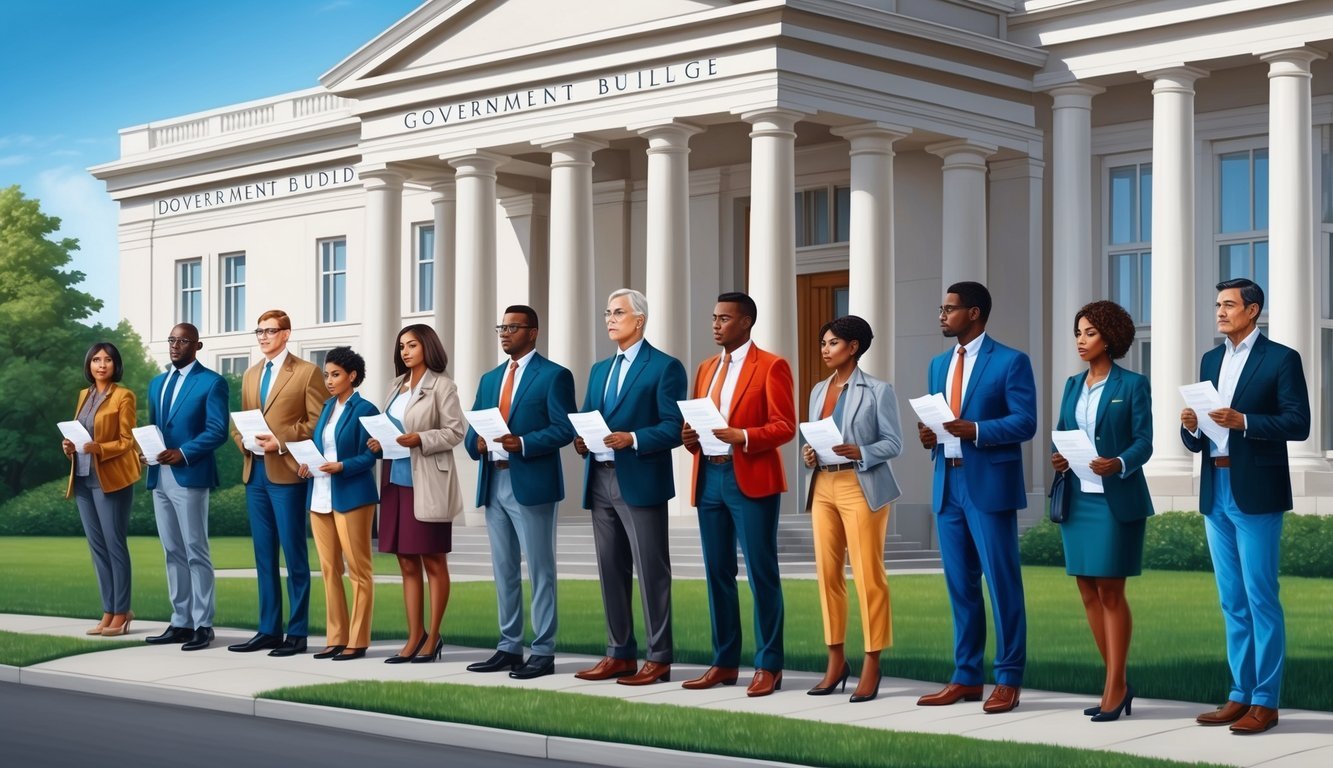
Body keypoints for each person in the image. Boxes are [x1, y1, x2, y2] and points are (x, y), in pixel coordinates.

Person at [1181, 278, 1309, 735]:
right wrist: (1191, 425)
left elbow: (1299, 423)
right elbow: (1198, 438)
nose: (1219, 311)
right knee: (1231, 600)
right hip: (1215, 485)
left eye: (1228, 304)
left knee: (1260, 598)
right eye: (1217, 304)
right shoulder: (1211, 360)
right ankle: (1239, 694)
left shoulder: (1281, 359)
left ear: (1252, 310)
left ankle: (1266, 701)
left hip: (1256, 489)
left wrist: (1246, 421)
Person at [915, 281, 1035, 714]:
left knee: (1002, 583)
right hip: (947, 483)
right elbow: (937, 419)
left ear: (975, 313)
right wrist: (929, 435)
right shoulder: (937, 364)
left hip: (988, 484)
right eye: (941, 308)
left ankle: (1008, 677)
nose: (942, 316)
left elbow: (1025, 422)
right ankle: (966, 676)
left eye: (950, 309)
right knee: (960, 586)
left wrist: (978, 430)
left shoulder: (1010, 361)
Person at [680, 292, 796, 698]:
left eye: (724, 318)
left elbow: (785, 426)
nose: (715, 325)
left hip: (750, 477)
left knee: (762, 573)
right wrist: (689, 437)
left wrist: (743, 435)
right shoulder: (705, 368)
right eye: (713, 317)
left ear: (745, 322)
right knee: (717, 572)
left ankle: (769, 665)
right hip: (708, 478)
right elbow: (696, 423)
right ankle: (725, 662)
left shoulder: (772, 366)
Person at [573, 288, 687, 686]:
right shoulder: (599, 370)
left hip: (640, 478)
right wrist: (581, 439)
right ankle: (618, 654)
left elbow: (673, 427)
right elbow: (588, 415)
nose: (609, 318)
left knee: (651, 570)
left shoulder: (664, 367)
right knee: (610, 570)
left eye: (618, 312)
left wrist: (633, 439)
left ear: (639, 320)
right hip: (600, 478)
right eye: (607, 312)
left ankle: (658, 658)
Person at [1050, 301, 1153, 721]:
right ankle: (1116, 681)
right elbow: (1063, 433)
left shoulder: (1132, 385)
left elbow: (1144, 441)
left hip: (1115, 501)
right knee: (1087, 591)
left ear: (1109, 337)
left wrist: (1119, 463)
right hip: (1077, 499)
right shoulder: (1073, 384)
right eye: (1078, 332)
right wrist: (1058, 457)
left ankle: (1115, 685)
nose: (1080, 340)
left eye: (1089, 332)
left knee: (1111, 591)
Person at [464, 305, 576, 680]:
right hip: (494, 482)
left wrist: (523, 442)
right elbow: (471, 432)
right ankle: (509, 646)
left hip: (532, 483)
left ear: (533, 332)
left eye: (513, 327)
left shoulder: (555, 376)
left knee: (540, 570)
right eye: (502, 327)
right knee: (504, 570)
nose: (505, 333)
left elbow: (564, 429)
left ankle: (543, 652)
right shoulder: (489, 378)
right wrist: (476, 444)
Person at [800, 315, 902, 703]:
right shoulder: (817, 390)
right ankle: (835, 660)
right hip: (823, 484)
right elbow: (813, 435)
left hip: (861, 485)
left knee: (867, 575)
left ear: (853, 347)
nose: (825, 349)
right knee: (828, 576)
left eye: (832, 343)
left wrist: (862, 451)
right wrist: (809, 454)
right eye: (823, 343)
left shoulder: (878, 390)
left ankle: (872, 662)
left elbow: (894, 443)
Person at [227, 309, 326, 657]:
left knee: (294, 554)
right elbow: (238, 422)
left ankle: (297, 633)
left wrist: (280, 440)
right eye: (259, 331)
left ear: (286, 333)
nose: (264, 337)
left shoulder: (307, 373)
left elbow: (317, 421)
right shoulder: (251, 375)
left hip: (286, 473)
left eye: (270, 331)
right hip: (254, 473)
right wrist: (243, 442)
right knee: (263, 556)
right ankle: (268, 629)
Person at [370, 324, 465, 664]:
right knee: (406, 562)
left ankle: (434, 637)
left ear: (427, 346)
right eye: (401, 347)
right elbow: (393, 428)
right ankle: (414, 636)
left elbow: (456, 431)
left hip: (426, 483)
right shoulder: (395, 386)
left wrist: (420, 439)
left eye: (411, 345)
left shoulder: (443, 386)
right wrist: (379, 442)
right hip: (394, 480)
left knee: (433, 561)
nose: (405, 351)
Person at [143, 323, 230, 652]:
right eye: (171, 340)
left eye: (182, 341)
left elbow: (218, 431)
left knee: (196, 550)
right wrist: (148, 451)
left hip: (190, 474)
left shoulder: (212, 383)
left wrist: (184, 452)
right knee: (172, 551)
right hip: (159, 475)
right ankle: (180, 621)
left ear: (198, 345)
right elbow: (154, 427)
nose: (175, 346)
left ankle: (203, 625)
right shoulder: (157, 383)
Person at [297, 347, 379, 661]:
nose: (329, 381)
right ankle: (336, 637)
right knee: (329, 570)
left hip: (352, 496)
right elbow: (321, 447)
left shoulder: (366, 409)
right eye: (327, 375)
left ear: (352, 376)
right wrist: (308, 465)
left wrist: (342, 466)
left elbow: (373, 454)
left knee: (359, 571)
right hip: (319, 495)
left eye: (335, 375)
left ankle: (357, 640)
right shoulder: (328, 407)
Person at [63, 342, 141, 637]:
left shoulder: (124, 396)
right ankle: (108, 610)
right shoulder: (85, 395)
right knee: (98, 549)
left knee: (114, 546)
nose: (101, 365)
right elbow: (80, 433)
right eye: (96, 360)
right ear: (89, 364)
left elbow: (126, 441)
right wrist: (69, 446)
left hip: (112, 480)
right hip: (83, 478)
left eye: (107, 360)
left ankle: (122, 612)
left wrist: (98, 447)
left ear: (115, 364)